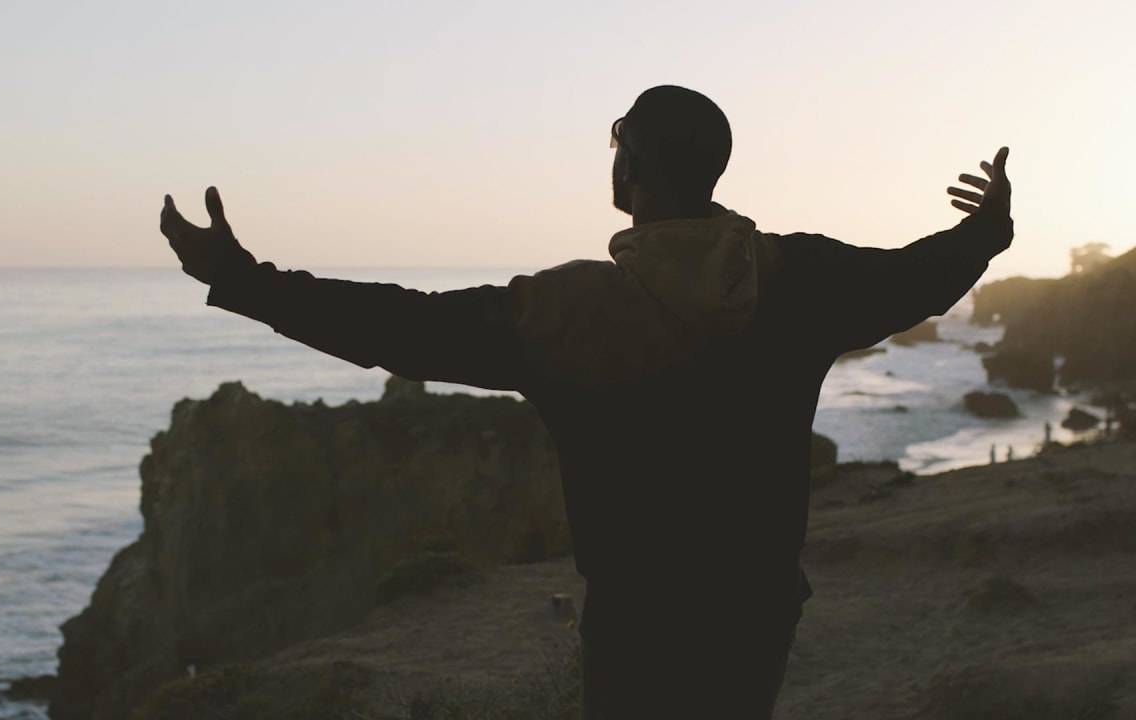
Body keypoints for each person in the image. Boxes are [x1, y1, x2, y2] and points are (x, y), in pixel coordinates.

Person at [160, 85, 1013, 719]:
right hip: (758, 610)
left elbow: (396, 327)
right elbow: (919, 276)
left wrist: (244, 280)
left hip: (638, 624)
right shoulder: (799, 279)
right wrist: (986, 230)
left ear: (629, 165)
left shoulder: (565, 314)